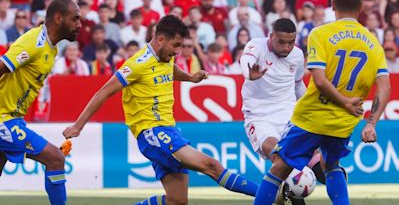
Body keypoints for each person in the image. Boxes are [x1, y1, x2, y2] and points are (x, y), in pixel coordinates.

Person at [63, 15, 259, 205]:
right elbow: (103, 92)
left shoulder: (166, 57)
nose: (178, 52)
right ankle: (271, 195)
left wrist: (190, 78)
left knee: (177, 200)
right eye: (175, 46)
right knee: (212, 166)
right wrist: (78, 126)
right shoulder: (137, 65)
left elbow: (170, 69)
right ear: (160, 39)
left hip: (169, 129)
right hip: (152, 132)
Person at [254, 0, 391, 205]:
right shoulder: (374, 42)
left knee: (279, 167)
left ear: (332, 4)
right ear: (361, 8)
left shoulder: (320, 33)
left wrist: (345, 101)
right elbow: (385, 87)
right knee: (332, 165)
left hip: (311, 117)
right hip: (343, 123)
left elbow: (318, 79)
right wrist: (371, 124)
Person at [0, 0, 81, 205]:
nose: (79, 25)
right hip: (3, 119)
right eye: (75, 19)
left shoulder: (51, 49)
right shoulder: (34, 41)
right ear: (58, 18)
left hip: (13, 118)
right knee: (55, 159)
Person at [241, 18, 324, 205]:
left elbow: (297, 85)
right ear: (271, 37)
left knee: (320, 166)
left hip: (289, 115)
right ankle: (280, 189)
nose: (286, 47)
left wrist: (309, 106)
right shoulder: (257, 46)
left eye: (290, 42)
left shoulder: (296, 55)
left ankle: (336, 183)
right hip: (259, 117)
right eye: (281, 42)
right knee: (281, 158)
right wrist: (248, 73)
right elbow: (246, 60)